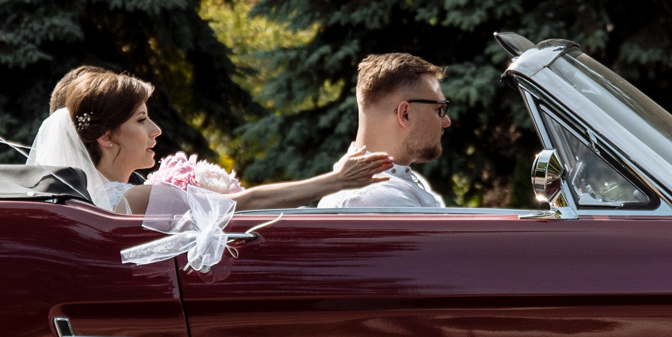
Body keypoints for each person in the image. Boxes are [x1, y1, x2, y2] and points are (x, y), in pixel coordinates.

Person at [26, 66, 392, 213]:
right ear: (107, 136)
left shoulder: (96, 200)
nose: (156, 130)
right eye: (141, 120)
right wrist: (338, 180)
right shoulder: (129, 199)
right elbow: (247, 201)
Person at [317, 53, 451, 209]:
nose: (447, 121)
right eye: (438, 109)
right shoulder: (379, 198)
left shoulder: (405, 182)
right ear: (405, 114)